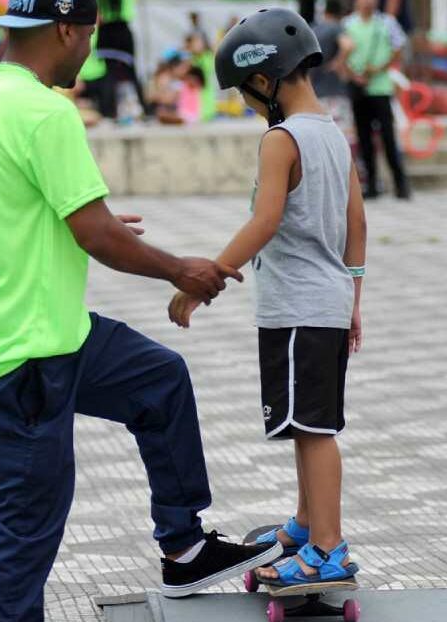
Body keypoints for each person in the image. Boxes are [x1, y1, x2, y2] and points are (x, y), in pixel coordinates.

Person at [0, 1, 283, 619]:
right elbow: (97, 236)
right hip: (25, 355)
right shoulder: (46, 112)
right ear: (68, 29)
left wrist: (57, 216)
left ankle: (184, 548)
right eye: (90, 37)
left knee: (159, 381)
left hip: (52, 334)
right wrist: (182, 270)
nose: (89, 54)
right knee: (26, 523)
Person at [170, 7, 367, 587]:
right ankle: (307, 525)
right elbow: (356, 223)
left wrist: (206, 278)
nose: (248, 106)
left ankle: (329, 547)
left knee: (313, 431)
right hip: (326, 301)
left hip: (298, 307)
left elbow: (265, 219)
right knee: (308, 424)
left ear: (263, 79)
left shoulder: (280, 140)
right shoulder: (332, 133)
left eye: (245, 94)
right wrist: (353, 298)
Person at [344, 0, 411, 200]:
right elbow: (342, 52)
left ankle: (400, 184)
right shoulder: (348, 24)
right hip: (358, 88)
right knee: (364, 138)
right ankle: (371, 184)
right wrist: (353, 74)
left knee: (388, 137)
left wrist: (380, 68)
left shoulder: (386, 23)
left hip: (381, 87)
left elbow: (399, 47)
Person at [96, 0, 148, 117]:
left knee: (109, 74)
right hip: (122, 31)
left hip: (106, 32)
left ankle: (108, 110)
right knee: (131, 73)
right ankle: (144, 108)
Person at [311, 0, 354, 138]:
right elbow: (348, 45)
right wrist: (338, 62)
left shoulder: (313, 29)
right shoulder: (336, 27)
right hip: (335, 92)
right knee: (341, 137)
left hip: (315, 93)